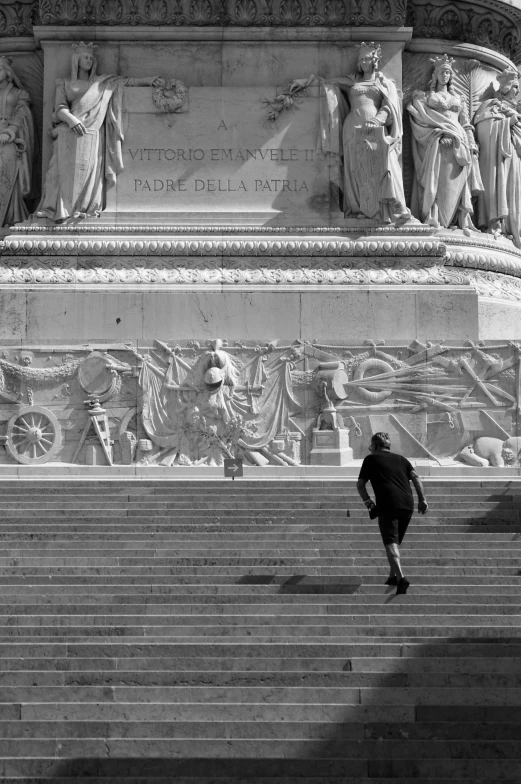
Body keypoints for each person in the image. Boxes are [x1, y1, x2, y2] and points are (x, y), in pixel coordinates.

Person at [35, 41, 163, 223]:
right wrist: (71, 120)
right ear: (76, 61)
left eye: (90, 58)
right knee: (57, 172)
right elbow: (59, 108)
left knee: (88, 173)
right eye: (85, 57)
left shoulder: (102, 83)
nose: (88, 60)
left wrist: (147, 80)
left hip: (92, 133)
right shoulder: (64, 83)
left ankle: (82, 208)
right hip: (70, 133)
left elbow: (125, 82)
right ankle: (55, 208)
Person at [407, 54, 483, 230]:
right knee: (437, 183)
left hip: (458, 145)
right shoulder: (426, 96)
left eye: (448, 72)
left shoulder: (459, 99)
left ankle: (456, 219)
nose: (445, 75)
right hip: (437, 145)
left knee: (455, 184)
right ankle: (435, 218)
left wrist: (471, 143)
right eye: (442, 71)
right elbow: (421, 119)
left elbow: (465, 124)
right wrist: (437, 135)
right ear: (435, 75)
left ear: (451, 77)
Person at [357, 432, 428, 595]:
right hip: (407, 504)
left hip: (388, 503)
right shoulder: (402, 459)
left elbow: (360, 484)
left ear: (375, 446)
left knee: (390, 542)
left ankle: (402, 578)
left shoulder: (371, 459)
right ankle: (392, 577)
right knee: (395, 541)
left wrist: (368, 502)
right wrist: (422, 499)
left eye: (371, 446)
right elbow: (416, 478)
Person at [474, 67, 521, 247]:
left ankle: (511, 227)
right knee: (498, 185)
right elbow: (484, 129)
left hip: (513, 157)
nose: (517, 91)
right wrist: (508, 122)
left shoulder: (514, 108)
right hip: (497, 157)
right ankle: (496, 224)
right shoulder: (491, 104)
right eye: (515, 87)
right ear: (507, 86)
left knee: (512, 189)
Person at [0, 55, 34, 227]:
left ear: (7, 73)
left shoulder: (18, 94)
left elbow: (22, 112)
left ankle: (10, 216)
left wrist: (10, 131)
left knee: (7, 174)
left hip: (8, 138)